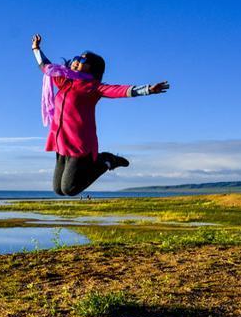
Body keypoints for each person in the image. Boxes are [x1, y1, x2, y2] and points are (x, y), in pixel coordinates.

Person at [31, 34, 169, 196]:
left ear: (92, 68)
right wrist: (36, 49)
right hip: (60, 141)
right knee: (58, 190)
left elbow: (118, 90)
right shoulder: (64, 82)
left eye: (83, 61)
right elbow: (46, 67)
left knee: (70, 189)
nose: (76, 62)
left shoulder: (93, 87)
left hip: (79, 143)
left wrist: (147, 89)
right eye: (77, 58)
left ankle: (106, 160)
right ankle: (102, 161)